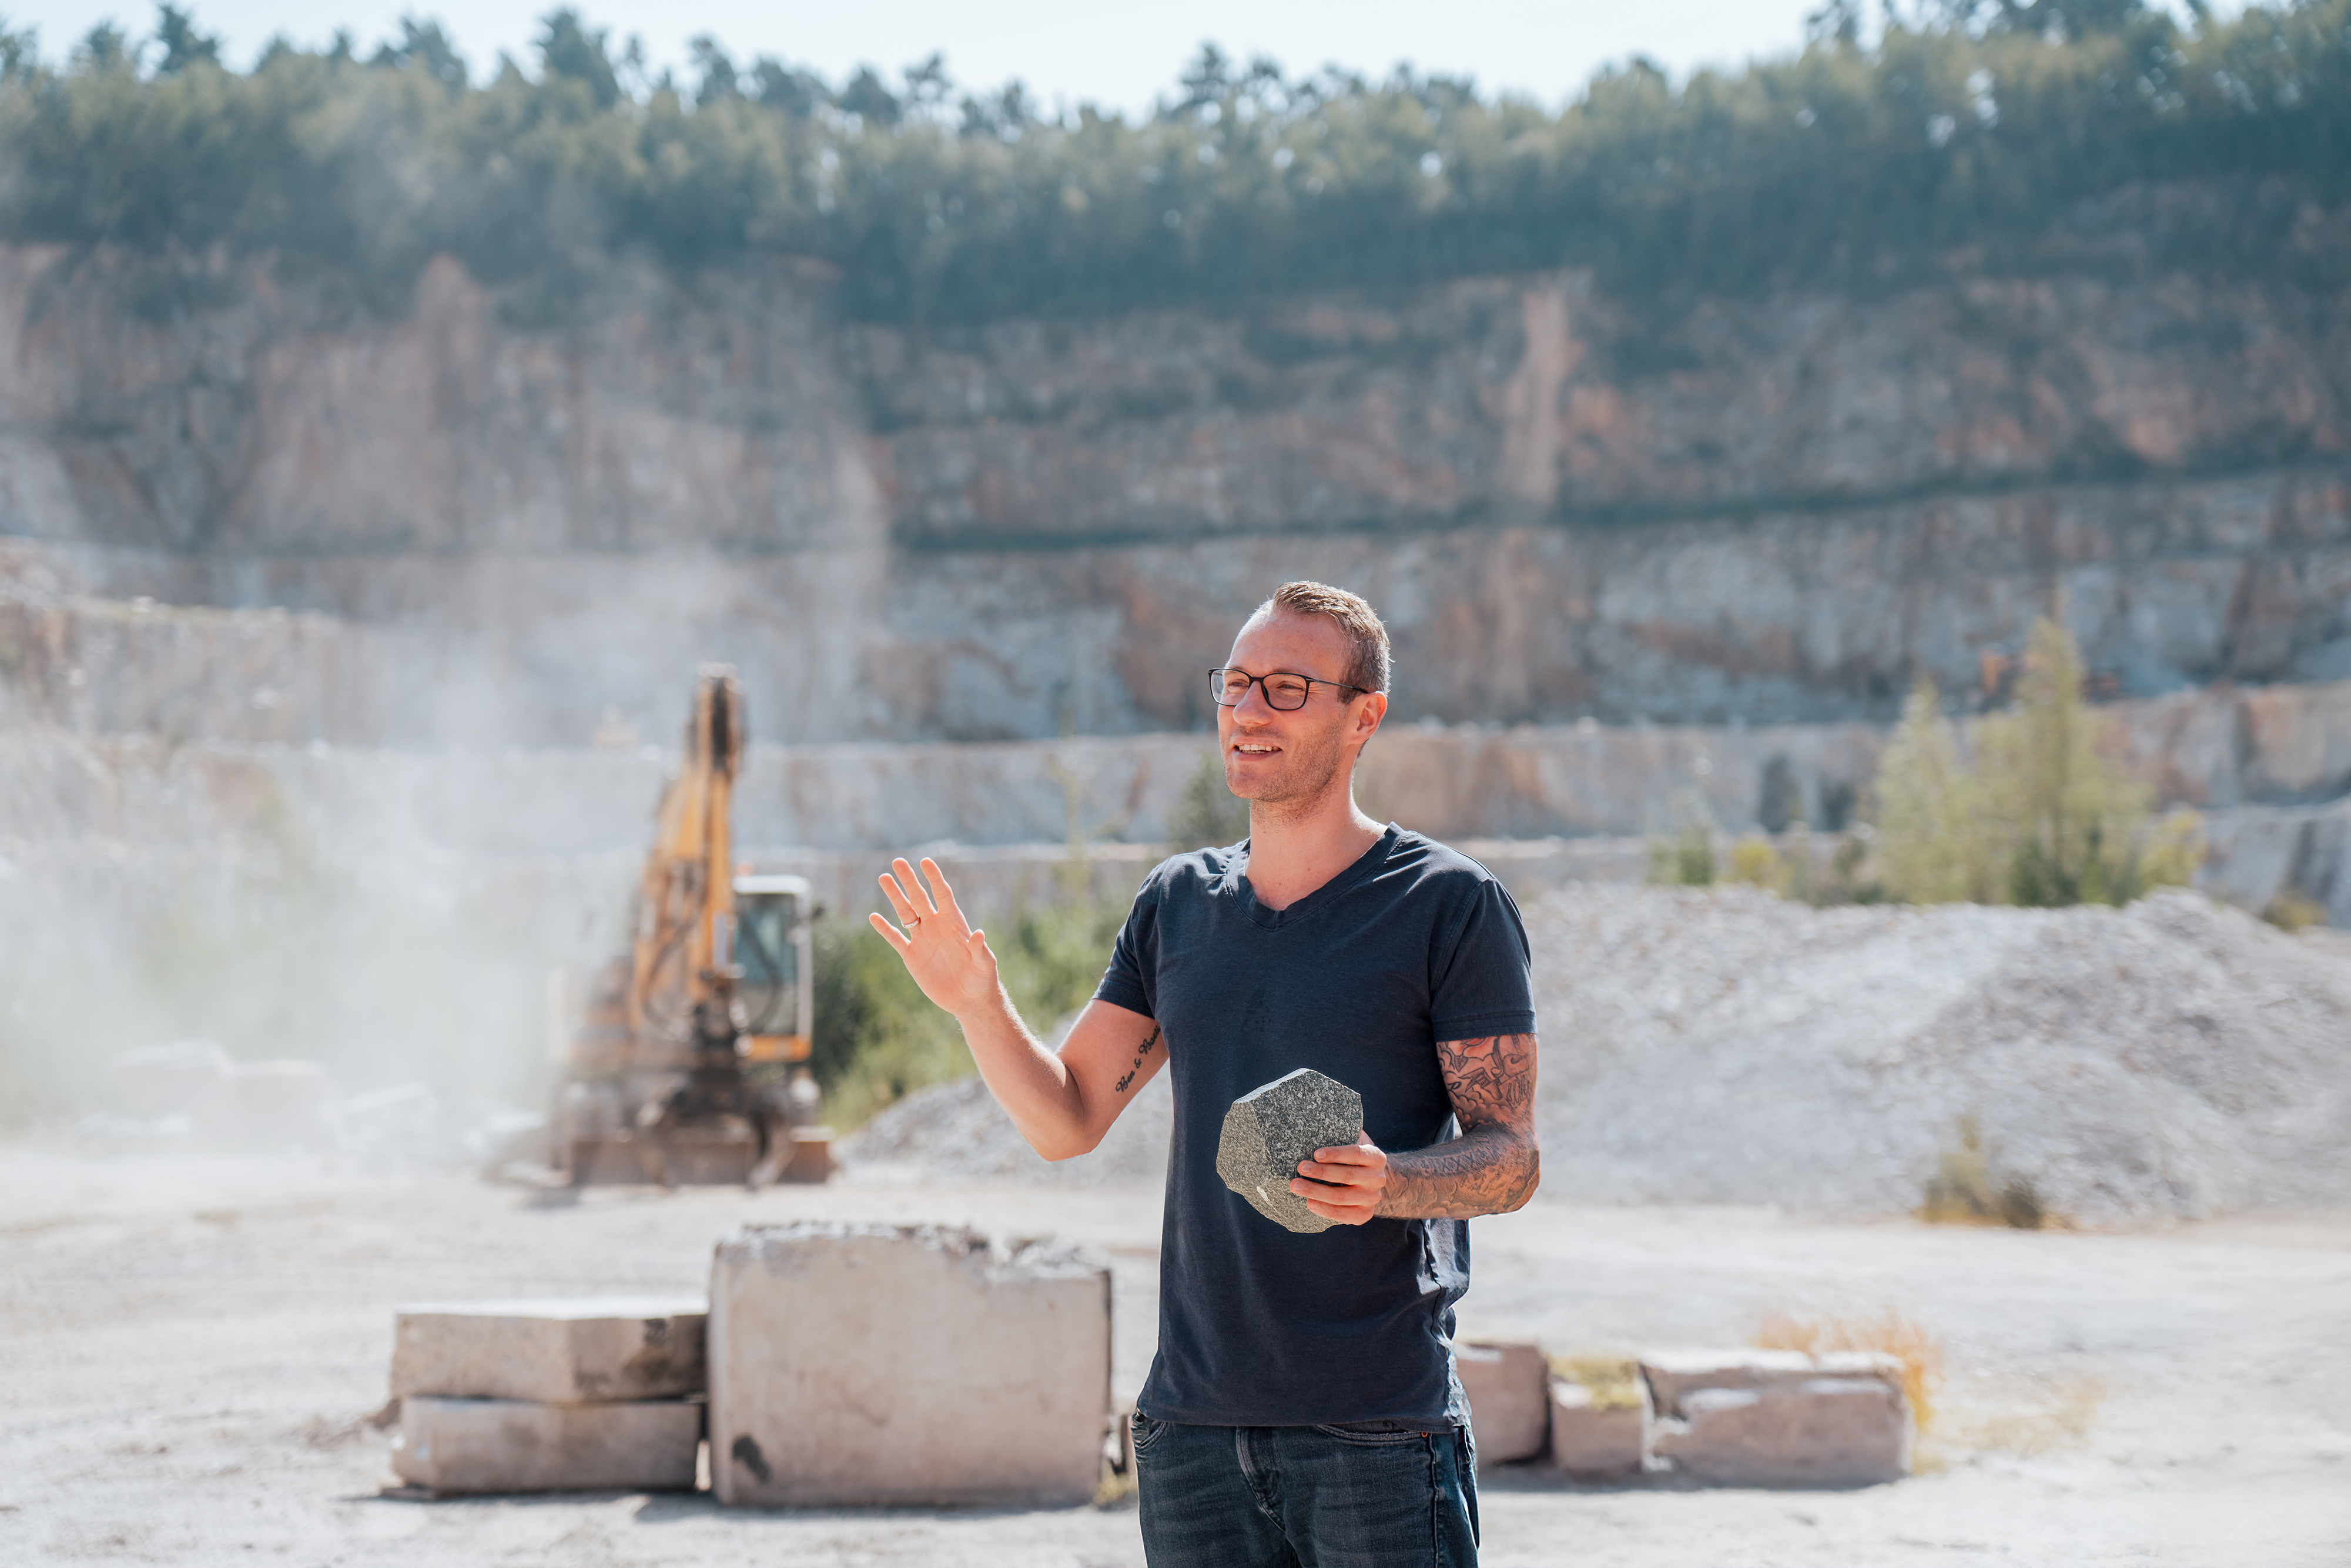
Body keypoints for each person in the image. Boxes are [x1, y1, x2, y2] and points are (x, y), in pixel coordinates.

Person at [870, 579, 1539, 1567]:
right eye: (1234, 684)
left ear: (1365, 717)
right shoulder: (1178, 904)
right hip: (1190, 1435)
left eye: (1285, 687)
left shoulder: (1448, 907)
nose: (1247, 710)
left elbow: (1512, 1159)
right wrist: (978, 1005)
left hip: (1378, 1432)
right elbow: (1066, 1120)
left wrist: (1392, 1182)